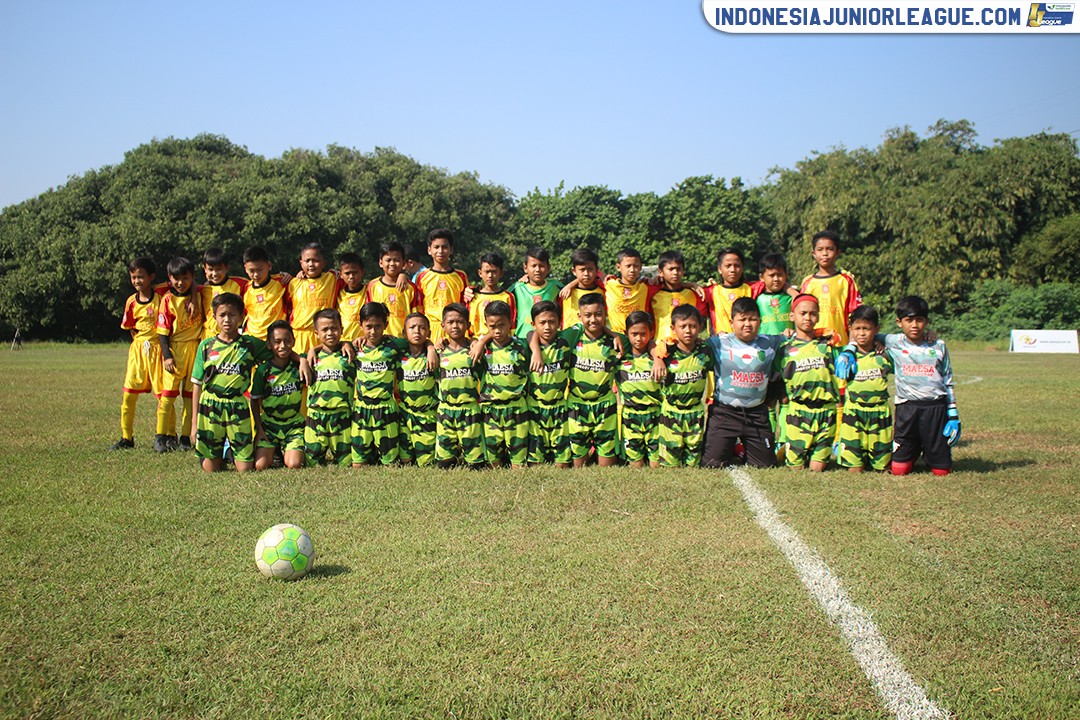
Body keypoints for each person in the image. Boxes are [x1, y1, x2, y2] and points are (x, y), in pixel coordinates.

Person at [837, 295, 960, 476]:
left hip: (934, 407)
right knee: (898, 470)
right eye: (909, 320)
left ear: (927, 321)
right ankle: (914, 449)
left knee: (942, 471)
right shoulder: (893, 341)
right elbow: (862, 333)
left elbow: (948, 379)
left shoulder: (938, 345)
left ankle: (930, 452)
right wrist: (849, 350)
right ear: (899, 322)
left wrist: (952, 413)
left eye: (919, 320)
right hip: (906, 407)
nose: (915, 325)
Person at [189, 293, 272, 473]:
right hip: (210, 406)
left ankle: (230, 452)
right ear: (214, 317)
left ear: (242, 317)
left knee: (245, 469)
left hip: (237, 406)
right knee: (211, 470)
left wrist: (302, 359)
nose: (227, 320)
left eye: (232, 315)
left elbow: (278, 353)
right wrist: (194, 424)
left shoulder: (250, 345)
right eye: (222, 315)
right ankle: (219, 452)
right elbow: (196, 385)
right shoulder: (206, 346)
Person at [700, 297, 784, 468]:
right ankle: (728, 445)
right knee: (711, 465)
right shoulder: (717, 343)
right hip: (724, 413)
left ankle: (739, 448)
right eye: (742, 319)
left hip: (756, 415)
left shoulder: (771, 342)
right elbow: (691, 345)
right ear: (732, 322)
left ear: (760, 321)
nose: (747, 324)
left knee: (765, 466)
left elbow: (801, 339)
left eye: (752, 319)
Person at [776, 294, 842, 472]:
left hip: (826, 412)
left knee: (817, 468)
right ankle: (787, 447)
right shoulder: (784, 348)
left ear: (818, 316)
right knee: (796, 468)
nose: (808, 318)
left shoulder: (829, 344)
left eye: (813, 314)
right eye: (803, 313)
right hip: (799, 411)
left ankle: (819, 450)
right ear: (792, 316)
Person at [563, 293, 625, 467]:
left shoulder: (616, 341)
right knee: (577, 465)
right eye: (588, 315)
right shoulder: (572, 337)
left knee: (607, 466)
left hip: (605, 405)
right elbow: (538, 334)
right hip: (577, 404)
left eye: (598, 314)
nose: (593, 319)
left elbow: (643, 342)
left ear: (605, 314)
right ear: (579, 317)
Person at [112, 257, 167, 451]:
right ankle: (126, 438)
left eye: (141, 277)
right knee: (128, 396)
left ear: (151, 277)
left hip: (158, 350)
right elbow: (129, 326)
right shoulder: (130, 302)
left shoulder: (161, 296)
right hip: (138, 352)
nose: (137, 281)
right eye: (134, 277)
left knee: (163, 396)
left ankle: (165, 436)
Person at [834, 306, 893, 473]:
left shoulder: (885, 354)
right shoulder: (846, 357)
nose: (861, 333)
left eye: (866, 329)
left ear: (876, 329)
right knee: (855, 468)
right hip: (854, 413)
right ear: (850, 328)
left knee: (882, 467)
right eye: (857, 329)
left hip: (879, 413)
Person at [350, 302, 408, 467]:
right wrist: (311, 351)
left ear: (386, 325)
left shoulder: (395, 345)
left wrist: (431, 348)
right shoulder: (354, 348)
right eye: (368, 326)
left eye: (378, 326)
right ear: (360, 325)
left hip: (385, 409)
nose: (373, 331)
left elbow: (418, 342)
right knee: (358, 464)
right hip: (362, 409)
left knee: (390, 463)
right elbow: (334, 347)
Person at [155, 257, 203, 453]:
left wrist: (193, 296)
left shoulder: (199, 293)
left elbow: (199, 285)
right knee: (167, 396)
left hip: (195, 348)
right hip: (175, 350)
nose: (180, 283)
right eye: (176, 279)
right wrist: (167, 356)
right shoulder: (167, 300)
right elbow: (162, 333)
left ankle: (184, 438)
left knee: (190, 396)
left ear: (192, 278)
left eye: (185, 278)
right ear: (169, 278)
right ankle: (160, 436)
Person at [475, 301, 529, 467]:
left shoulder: (522, 346)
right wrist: (482, 341)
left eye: (502, 325)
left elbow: (533, 335)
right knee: (493, 462)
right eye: (492, 326)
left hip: (516, 408)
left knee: (518, 462)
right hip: (491, 409)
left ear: (511, 323)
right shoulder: (482, 349)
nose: (497, 331)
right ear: (486, 325)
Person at [656, 305, 711, 467]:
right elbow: (653, 349)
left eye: (693, 326)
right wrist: (659, 357)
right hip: (671, 412)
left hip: (695, 412)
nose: (688, 331)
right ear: (673, 328)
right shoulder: (666, 352)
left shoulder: (705, 351)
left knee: (693, 459)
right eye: (683, 326)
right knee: (670, 462)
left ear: (700, 327)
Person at [434, 303, 485, 468]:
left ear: (468, 325)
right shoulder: (438, 352)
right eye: (450, 322)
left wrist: (478, 341)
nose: (455, 326)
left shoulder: (474, 350)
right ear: (443, 325)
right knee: (444, 464)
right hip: (446, 410)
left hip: (469, 410)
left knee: (476, 465)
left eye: (460, 322)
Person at [251, 321, 306, 470]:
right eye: (277, 342)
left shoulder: (299, 366)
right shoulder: (263, 370)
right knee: (260, 466)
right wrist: (259, 428)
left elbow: (323, 351)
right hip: (269, 426)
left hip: (293, 425)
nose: (283, 346)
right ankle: (275, 450)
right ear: (269, 344)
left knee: (294, 464)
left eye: (287, 341)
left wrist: (303, 360)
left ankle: (289, 450)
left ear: (294, 341)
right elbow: (254, 401)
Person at [523, 301, 571, 468]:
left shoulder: (566, 341)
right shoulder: (526, 347)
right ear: (534, 324)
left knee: (563, 463)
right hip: (535, 410)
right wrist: (536, 352)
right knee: (536, 462)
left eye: (552, 322)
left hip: (560, 409)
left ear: (559, 322)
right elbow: (529, 334)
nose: (547, 327)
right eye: (542, 323)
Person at [305, 309, 355, 466]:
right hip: (316, 415)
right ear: (316, 333)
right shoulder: (310, 357)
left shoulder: (350, 353)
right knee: (311, 463)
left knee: (346, 462)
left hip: (341, 415)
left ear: (341, 329)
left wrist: (346, 343)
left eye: (334, 328)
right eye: (324, 330)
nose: (330, 333)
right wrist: (312, 350)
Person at [799, 230, 861, 345]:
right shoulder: (808, 282)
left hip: (840, 343)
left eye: (830, 249)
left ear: (838, 252)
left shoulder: (846, 281)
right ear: (813, 253)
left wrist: (852, 345)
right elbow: (800, 313)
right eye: (820, 249)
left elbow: (855, 315)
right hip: (813, 344)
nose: (825, 253)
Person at [618, 311, 662, 469]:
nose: (638, 338)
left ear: (651, 333)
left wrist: (657, 357)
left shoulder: (658, 357)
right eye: (634, 334)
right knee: (635, 464)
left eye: (643, 334)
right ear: (626, 334)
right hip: (631, 416)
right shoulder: (620, 356)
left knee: (656, 465)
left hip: (655, 415)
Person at [397, 313, 439, 467]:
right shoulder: (398, 354)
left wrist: (431, 348)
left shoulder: (434, 357)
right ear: (404, 333)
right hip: (405, 414)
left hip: (426, 416)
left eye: (422, 328)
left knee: (426, 463)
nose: (417, 331)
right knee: (405, 461)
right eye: (412, 327)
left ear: (428, 332)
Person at [415, 229, 469, 344]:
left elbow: (465, 306)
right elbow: (418, 306)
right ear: (429, 250)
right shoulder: (422, 276)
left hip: (454, 329)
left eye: (444, 247)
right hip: (430, 330)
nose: (440, 251)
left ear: (451, 250)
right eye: (436, 247)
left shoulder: (460, 276)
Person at [288, 243, 341, 353]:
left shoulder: (332, 278)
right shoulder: (293, 283)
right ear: (301, 263)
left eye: (315, 260)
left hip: (323, 334)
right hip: (299, 336)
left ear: (324, 263)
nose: (311, 264)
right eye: (307, 261)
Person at [650, 250, 707, 345]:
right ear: (660, 272)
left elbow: (701, 319)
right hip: (660, 345)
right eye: (671, 269)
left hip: (687, 347)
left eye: (679, 269)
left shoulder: (693, 294)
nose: (675, 272)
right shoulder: (653, 294)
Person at [366, 241, 421, 338]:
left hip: (404, 341)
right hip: (379, 340)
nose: (392, 263)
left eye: (396, 260)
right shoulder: (373, 286)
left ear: (403, 263)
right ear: (380, 263)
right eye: (388, 260)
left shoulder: (411, 288)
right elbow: (368, 314)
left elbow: (417, 316)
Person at [506, 247, 561, 340]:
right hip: (522, 340)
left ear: (548, 268)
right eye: (534, 266)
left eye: (541, 266)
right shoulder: (517, 288)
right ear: (525, 268)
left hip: (548, 340)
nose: (537, 269)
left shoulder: (556, 287)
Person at [604, 248, 657, 338]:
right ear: (618, 267)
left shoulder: (646, 287)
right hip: (616, 337)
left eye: (636, 266)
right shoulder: (608, 286)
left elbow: (671, 284)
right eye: (628, 266)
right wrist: (571, 285)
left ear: (640, 267)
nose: (632, 270)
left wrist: (659, 278)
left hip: (639, 339)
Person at [241, 246, 290, 340]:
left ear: (269, 266)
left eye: (260, 270)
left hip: (275, 339)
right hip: (252, 339)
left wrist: (301, 274)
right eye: (251, 271)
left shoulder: (282, 282)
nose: (256, 274)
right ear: (245, 268)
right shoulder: (245, 288)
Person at [199, 248, 249, 339]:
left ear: (227, 268)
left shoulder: (240, 284)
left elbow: (260, 283)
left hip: (231, 338)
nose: (214, 273)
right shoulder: (202, 290)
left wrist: (282, 276)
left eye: (218, 269)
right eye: (210, 269)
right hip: (208, 338)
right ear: (205, 269)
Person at [705, 247, 754, 335]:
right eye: (728, 266)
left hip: (747, 343)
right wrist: (691, 285)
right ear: (720, 269)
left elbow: (775, 283)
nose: (733, 270)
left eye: (737, 266)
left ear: (742, 268)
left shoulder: (753, 288)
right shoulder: (710, 292)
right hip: (720, 344)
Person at [468, 252, 516, 338]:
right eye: (487, 271)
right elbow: (469, 325)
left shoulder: (508, 296)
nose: (490, 276)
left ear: (501, 273)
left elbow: (512, 324)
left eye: (494, 272)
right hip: (476, 343)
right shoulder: (473, 296)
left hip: (500, 342)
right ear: (480, 273)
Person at [559, 248, 605, 329]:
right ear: (574, 271)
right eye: (582, 270)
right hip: (570, 339)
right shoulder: (565, 292)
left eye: (590, 269)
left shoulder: (603, 291)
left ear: (596, 270)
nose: (586, 274)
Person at [336, 251, 367, 342]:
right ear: (340, 274)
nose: (351, 276)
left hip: (363, 341)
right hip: (342, 342)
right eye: (347, 273)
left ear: (362, 272)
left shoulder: (369, 290)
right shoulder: (337, 294)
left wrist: (402, 275)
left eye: (355, 272)